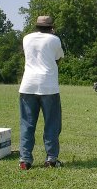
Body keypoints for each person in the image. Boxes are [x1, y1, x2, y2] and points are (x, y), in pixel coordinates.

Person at [18, 16, 64, 170]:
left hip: (28, 85)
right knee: (51, 123)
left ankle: (25, 160)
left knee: (27, 124)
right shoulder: (54, 39)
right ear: (51, 27)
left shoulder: (26, 38)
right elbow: (57, 60)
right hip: (48, 86)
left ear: (36, 26)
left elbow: (26, 55)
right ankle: (51, 159)